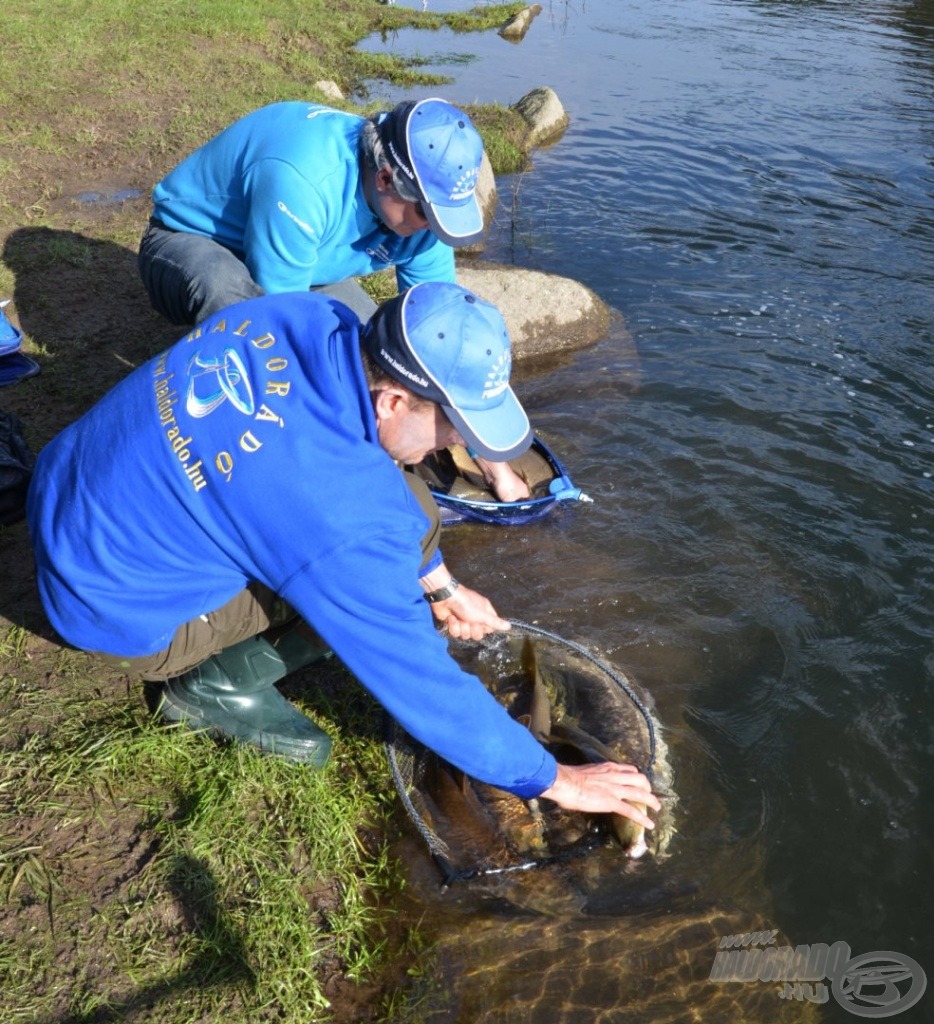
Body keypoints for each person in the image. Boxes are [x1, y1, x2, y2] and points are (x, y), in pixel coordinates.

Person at [27, 283, 658, 825]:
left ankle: (417, 582)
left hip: (63, 486)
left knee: (405, 500)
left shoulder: (302, 317)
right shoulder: (341, 518)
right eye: (453, 429)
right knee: (364, 585)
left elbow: (375, 485)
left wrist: (443, 586)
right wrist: (564, 782)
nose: (454, 446)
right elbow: (425, 689)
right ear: (394, 400)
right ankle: (214, 688)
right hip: (106, 603)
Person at [138, 95, 530, 503]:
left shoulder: (424, 218)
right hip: (193, 240)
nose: (432, 230)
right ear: (384, 179)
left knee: (374, 349)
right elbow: (281, 332)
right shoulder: (303, 179)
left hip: (303, 264)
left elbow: (441, 347)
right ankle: (252, 464)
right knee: (238, 309)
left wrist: (495, 467)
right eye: (426, 215)